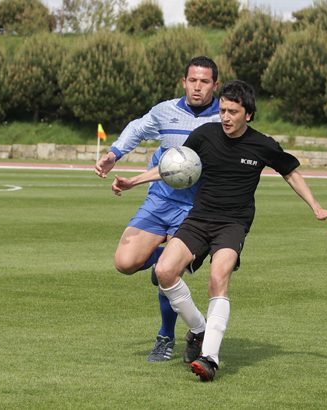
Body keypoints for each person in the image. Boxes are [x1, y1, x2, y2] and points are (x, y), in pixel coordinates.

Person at [111, 80, 327, 381]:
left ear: (249, 115)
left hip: (233, 224)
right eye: (222, 111)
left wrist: (317, 207)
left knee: (218, 277)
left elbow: (291, 173)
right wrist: (134, 181)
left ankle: (210, 358)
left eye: (233, 111)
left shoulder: (263, 145)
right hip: (198, 218)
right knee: (165, 272)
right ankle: (198, 328)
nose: (226, 117)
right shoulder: (205, 135)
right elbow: (172, 166)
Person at [94, 56, 221, 362]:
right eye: (193, 80)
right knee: (124, 262)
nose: (198, 87)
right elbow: (137, 128)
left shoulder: (224, 118)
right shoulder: (165, 111)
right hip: (160, 200)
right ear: (184, 82)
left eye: (205, 82)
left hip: (196, 207)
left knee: (168, 272)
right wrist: (114, 154)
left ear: (215, 85)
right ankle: (160, 256)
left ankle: (165, 336)